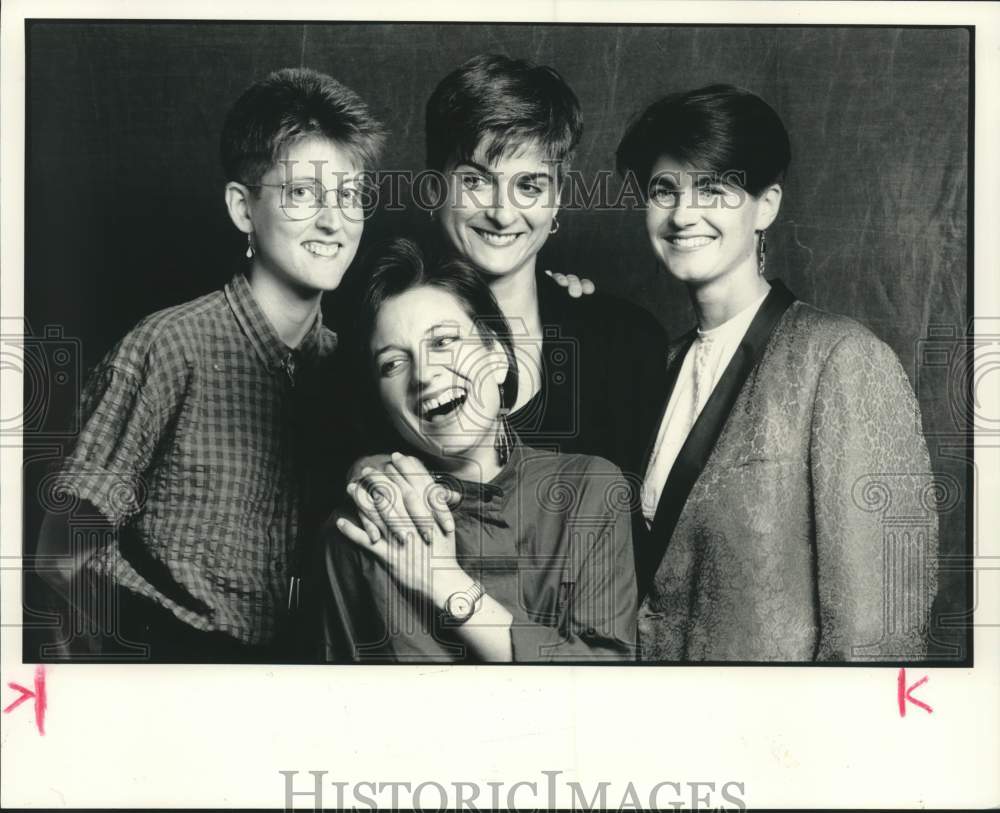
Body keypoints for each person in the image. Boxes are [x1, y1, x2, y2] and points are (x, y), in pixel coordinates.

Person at [34, 68, 386, 661]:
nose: (334, 221)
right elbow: (58, 555)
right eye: (302, 194)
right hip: (166, 662)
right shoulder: (170, 345)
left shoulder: (353, 368)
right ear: (243, 209)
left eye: (349, 196)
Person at [615, 84, 939, 661]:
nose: (684, 213)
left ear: (768, 204)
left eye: (713, 188)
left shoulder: (842, 359)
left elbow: (881, 630)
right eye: (665, 190)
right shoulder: (657, 364)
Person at [319, 238, 638, 662]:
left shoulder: (589, 490)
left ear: (499, 355)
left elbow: (610, 685)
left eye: (444, 342)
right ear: (380, 401)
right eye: (393, 363)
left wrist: (448, 585)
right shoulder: (364, 530)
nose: (426, 376)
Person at [422, 53, 669, 480]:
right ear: (433, 188)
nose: (502, 212)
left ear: (556, 199)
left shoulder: (627, 346)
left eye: (529, 185)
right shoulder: (377, 346)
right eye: (476, 180)